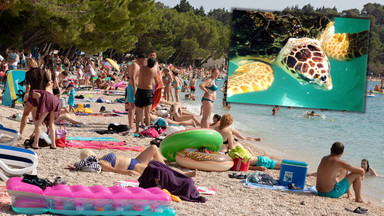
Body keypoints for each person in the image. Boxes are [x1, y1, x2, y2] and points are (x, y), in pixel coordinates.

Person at [75, 145, 197, 177]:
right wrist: (127, 173)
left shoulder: (102, 158)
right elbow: (113, 170)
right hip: (134, 167)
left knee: (154, 148)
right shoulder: (100, 162)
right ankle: (181, 174)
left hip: (135, 161)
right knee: (157, 168)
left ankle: (171, 170)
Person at [19, 58, 50, 139]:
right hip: (41, 96)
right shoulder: (43, 72)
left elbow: (28, 86)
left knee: (25, 115)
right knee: (38, 118)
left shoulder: (29, 73)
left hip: (32, 96)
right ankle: (34, 135)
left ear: (28, 64)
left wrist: (25, 97)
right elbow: (48, 83)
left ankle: (20, 133)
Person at [134, 57, 158, 133]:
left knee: (138, 111)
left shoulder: (141, 68)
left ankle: (137, 130)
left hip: (140, 90)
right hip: (148, 91)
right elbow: (157, 82)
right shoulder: (154, 71)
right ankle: (147, 130)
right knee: (147, 113)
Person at [126, 55, 144, 131]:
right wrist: (134, 90)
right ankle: (131, 124)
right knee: (132, 107)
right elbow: (133, 78)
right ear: (141, 59)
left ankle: (132, 124)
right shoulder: (135, 65)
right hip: (132, 87)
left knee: (134, 107)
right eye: (144, 60)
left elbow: (127, 71)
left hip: (133, 86)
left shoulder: (135, 65)